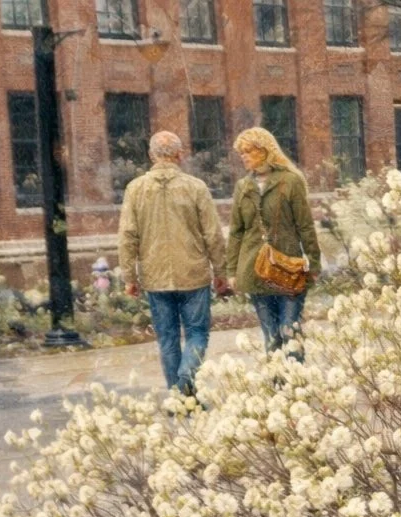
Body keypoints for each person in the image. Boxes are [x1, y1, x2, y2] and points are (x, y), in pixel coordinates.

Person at [117, 131, 227, 396]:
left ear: (151, 155)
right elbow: (212, 233)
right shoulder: (195, 187)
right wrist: (220, 270)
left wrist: (130, 278)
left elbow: (127, 236)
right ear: (180, 154)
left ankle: (178, 396)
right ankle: (186, 380)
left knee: (167, 339)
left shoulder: (135, 189)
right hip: (193, 273)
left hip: (156, 276)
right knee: (197, 333)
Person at [226, 127, 320, 360]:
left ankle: (297, 386)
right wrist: (231, 271)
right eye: (241, 153)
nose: (244, 157)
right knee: (271, 334)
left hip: (288, 267)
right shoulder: (243, 187)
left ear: (264, 150)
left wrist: (314, 263)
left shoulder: (290, 181)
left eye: (248, 151)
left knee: (290, 328)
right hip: (255, 269)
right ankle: (278, 388)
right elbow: (236, 231)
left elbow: (305, 226)